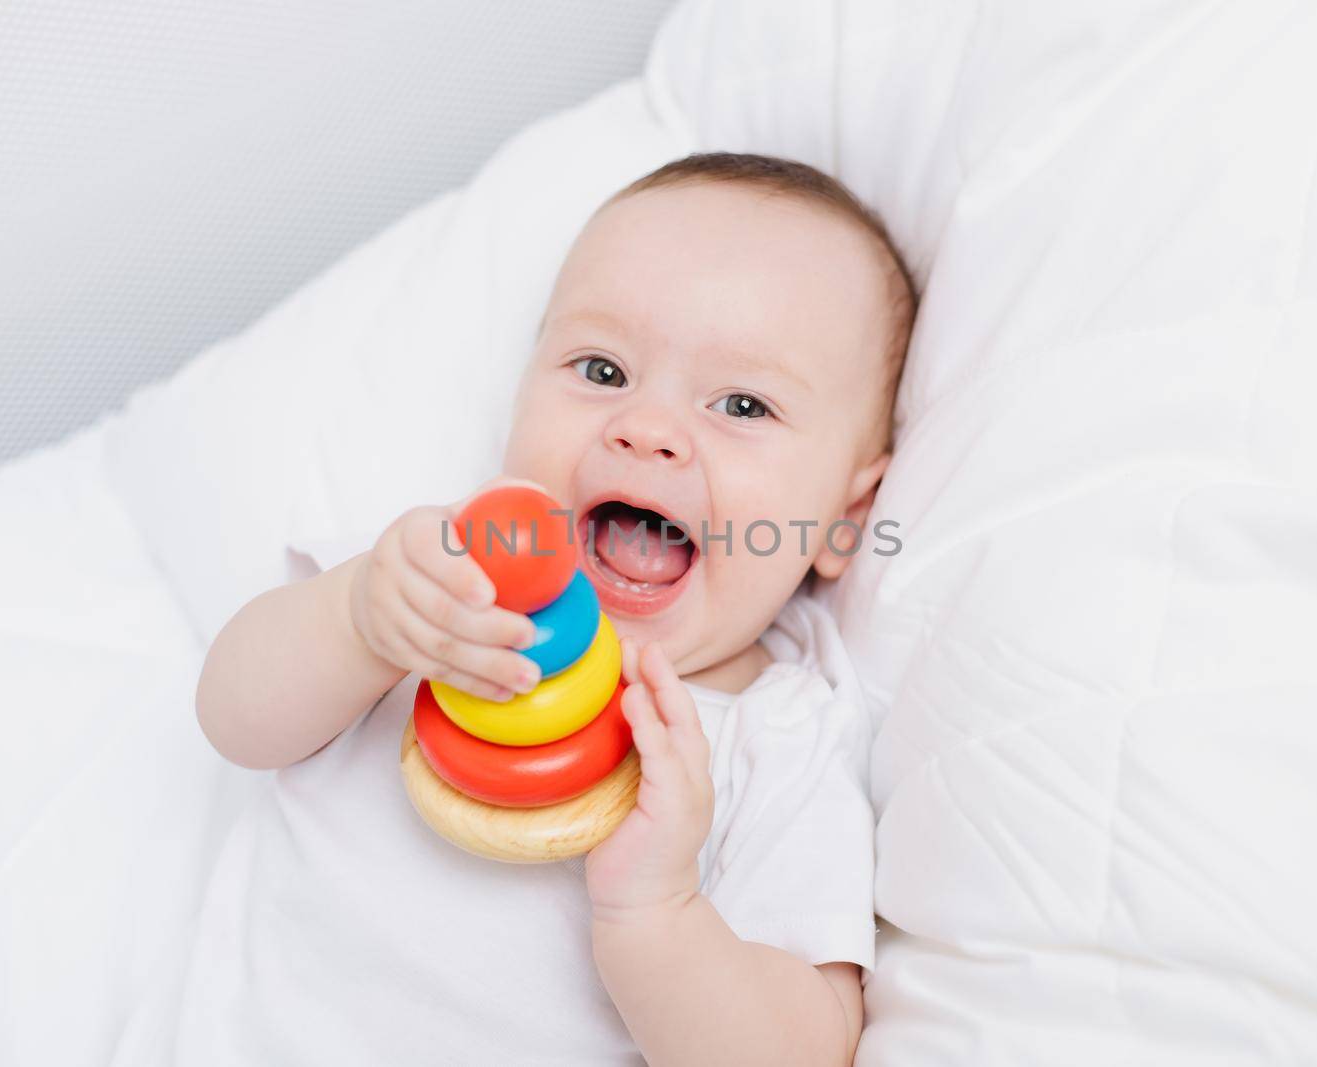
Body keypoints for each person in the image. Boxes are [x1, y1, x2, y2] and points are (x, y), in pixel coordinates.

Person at [191, 152, 918, 1065]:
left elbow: (806, 1051)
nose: (645, 427)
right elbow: (232, 718)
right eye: (603, 370)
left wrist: (659, 915)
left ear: (844, 518)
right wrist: (356, 622)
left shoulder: (779, 738)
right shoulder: (433, 584)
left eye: (742, 403)